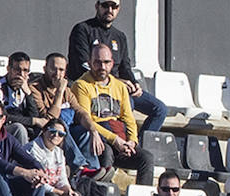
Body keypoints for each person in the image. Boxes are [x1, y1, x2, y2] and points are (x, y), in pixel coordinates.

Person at [67, 0, 164, 132]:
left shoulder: (120, 36)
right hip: (92, 85)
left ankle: (136, 146)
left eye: (114, 6)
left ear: (119, 8)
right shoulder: (82, 29)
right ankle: (120, 146)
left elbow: (125, 67)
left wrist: (135, 85)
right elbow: (82, 66)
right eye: (105, 5)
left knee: (160, 109)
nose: (110, 10)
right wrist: (117, 82)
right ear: (97, 6)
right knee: (128, 102)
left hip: (119, 87)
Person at [69, 43, 152, 184]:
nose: (102, 67)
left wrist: (131, 141)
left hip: (120, 137)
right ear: (89, 63)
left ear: (112, 63)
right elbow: (86, 119)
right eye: (97, 62)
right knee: (105, 151)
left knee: (146, 158)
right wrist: (115, 140)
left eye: (106, 62)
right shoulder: (81, 85)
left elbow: (129, 118)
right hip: (100, 136)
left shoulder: (119, 86)